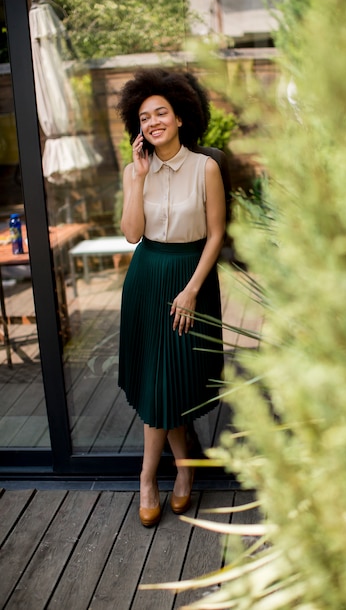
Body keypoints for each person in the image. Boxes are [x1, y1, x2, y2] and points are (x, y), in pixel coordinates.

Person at [117, 67, 226, 527]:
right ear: (138, 128)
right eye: (144, 117)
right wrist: (139, 179)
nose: (153, 122)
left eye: (161, 112)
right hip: (147, 277)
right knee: (156, 379)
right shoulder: (133, 170)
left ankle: (152, 476)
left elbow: (216, 235)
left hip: (189, 277)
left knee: (173, 380)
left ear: (180, 117)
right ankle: (172, 472)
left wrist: (191, 291)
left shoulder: (206, 167)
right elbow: (130, 235)